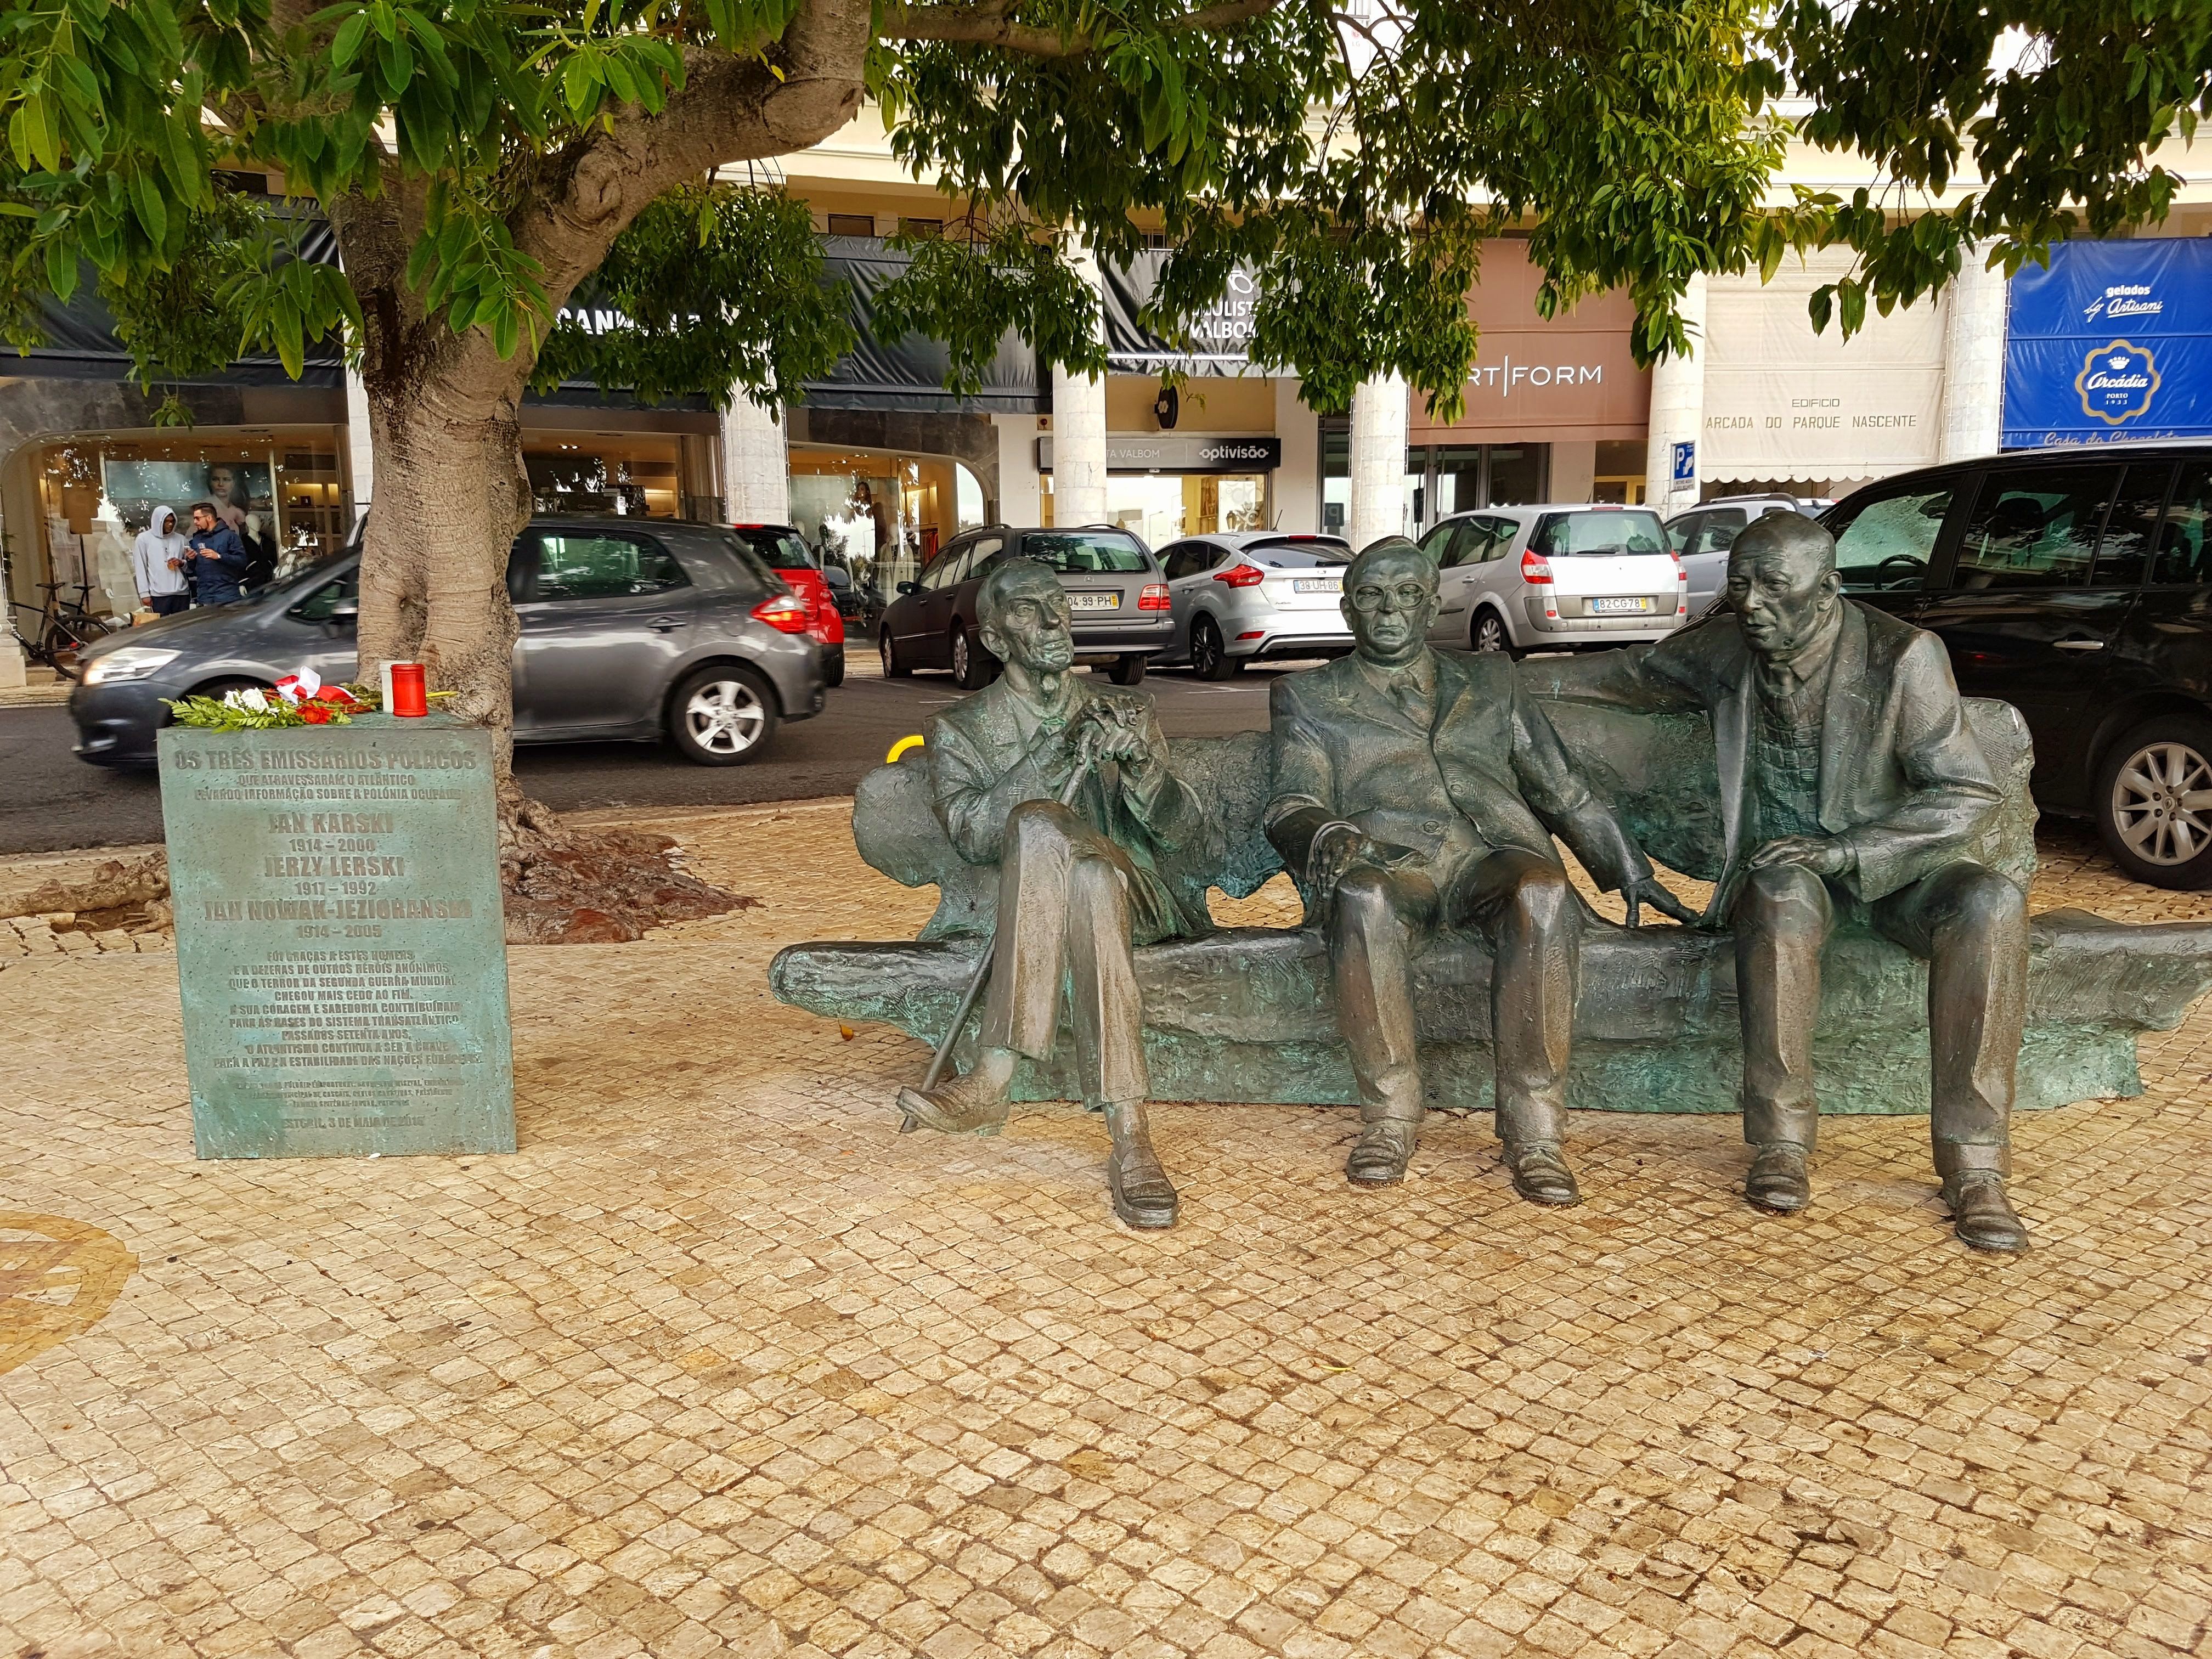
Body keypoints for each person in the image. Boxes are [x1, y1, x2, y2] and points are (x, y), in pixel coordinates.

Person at [1559, 512, 2030, 1252]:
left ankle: (1975, 1165)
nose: (1752, 606)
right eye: (1740, 586)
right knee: (1778, 894)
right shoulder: (1726, 649)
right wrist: (1485, 683)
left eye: (1775, 589)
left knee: (1992, 903)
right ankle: (1780, 1143)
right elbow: (1621, 675)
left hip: (1896, 870)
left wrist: (1846, 852)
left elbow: (1965, 794)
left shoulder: (1903, 657)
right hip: (1788, 876)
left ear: (1827, 589)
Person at [1266, 540, 1695, 1202]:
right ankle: (1390, 1117)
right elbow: (1293, 801)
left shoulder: (1493, 681)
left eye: (1407, 595)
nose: (1389, 610)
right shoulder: (1308, 696)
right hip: (1389, 861)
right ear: (1348, 608)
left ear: (1432, 605)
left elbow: (1560, 786)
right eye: (1372, 596)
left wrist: (1629, 871)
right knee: (1363, 899)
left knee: (1544, 893)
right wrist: (1323, 831)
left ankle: (1535, 1131)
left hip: (1488, 854)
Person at [896, 558, 1208, 1228]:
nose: (1052, 618)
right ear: (996, 640)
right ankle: (1130, 1134)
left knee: (1092, 867)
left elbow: (1183, 833)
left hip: (1141, 900)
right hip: (1078, 900)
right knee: (1077, 870)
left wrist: (1140, 765)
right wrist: (1052, 754)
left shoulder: (1125, 708)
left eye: (1058, 604)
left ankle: (994, 1078)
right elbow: (976, 836)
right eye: (1028, 609)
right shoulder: (960, 729)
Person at [184, 501, 252, 606]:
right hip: (205, 597)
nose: (195, 522)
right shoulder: (196, 539)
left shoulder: (230, 536)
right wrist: (190, 559)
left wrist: (219, 556)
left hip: (227, 595)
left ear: (209, 518)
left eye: (198, 518)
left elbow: (242, 561)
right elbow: (191, 571)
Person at [130, 506, 191, 616]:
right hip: (159, 595)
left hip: (181, 593)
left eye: (172, 521)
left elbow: (190, 566)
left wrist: (181, 563)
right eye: (166, 521)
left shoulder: (181, 539)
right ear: (158, 521)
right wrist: (144, 593)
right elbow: (140, 567)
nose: (170, 524)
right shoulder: (144, 539)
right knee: (163, 629)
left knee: (182, 628)